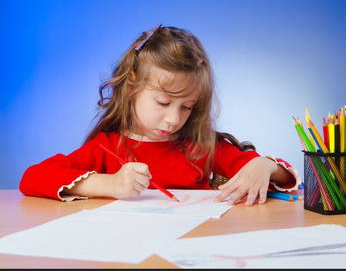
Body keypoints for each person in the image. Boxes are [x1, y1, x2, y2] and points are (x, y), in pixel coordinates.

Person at [19, 24, 301, 206]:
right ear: (131, 87)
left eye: (186, 107)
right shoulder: (107, 147)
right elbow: (32, 178)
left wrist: (263, 166)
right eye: (163, 102)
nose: (173, 119)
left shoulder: (202, 146)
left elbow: (284, 179)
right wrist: (111, 183)